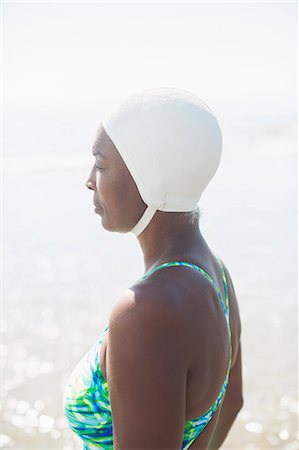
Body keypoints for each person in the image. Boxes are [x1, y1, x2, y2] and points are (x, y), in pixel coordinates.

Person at [63, 87, 243, 450]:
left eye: (100, 164)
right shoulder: (215, 275)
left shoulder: (147, 311)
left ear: (149, 177)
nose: (88, 179)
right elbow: (232, 403)